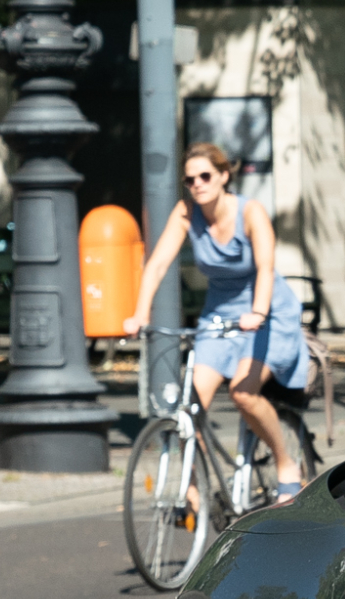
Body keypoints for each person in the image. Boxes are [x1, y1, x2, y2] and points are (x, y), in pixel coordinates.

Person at [123, 142, 314, 498]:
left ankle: (287, 462)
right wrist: (139, 313)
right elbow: (158, 264)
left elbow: (266, 268)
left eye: (205, 176)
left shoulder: (250, 212)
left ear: (224, 176)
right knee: (189, 405)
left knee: (243, 392)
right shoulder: (186, 213)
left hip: (267, 312)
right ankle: (194, 486)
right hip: (219, 315)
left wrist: (257, 312)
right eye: (190, 179)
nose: (197, 184)